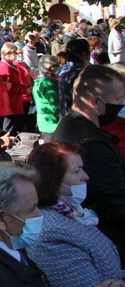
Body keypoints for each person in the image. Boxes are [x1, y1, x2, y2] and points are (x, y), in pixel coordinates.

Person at [26, 141, 125, 287]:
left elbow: (104, 267)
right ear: (53, 178)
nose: (86, 177)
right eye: (77, 171)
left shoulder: (71, 214)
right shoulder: (51, 231)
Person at [52, 65, 125, 264]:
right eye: (118, 100)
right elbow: (115, 203)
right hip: (110, 241)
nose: (122, 105)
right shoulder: (89, 144)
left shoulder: (74, 126)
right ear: (95, 102)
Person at [0, 43, 25, 134]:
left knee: (14, 126)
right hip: (10, 102)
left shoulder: (10, 65)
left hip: (14, 100)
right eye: (15, 53)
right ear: (8, 54)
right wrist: (22, 90)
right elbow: (8, 87)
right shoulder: (4, 67)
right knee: (8, 129)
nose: (16, 55)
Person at [58, 39, 90, 118]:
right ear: (84, 54)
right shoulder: (82, 74)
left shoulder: (63, 71)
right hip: (79, 119)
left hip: (65, 118)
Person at [33, 55, 61, 142]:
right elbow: (55, 105)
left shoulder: (38, 81)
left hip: (43, 121)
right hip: (52, 123)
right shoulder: (49, 84)